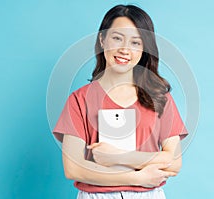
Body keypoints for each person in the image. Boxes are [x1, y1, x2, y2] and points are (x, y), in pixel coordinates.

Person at [53, 4, 188, 199]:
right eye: (117, 38)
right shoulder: (79, 100)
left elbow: (173, 162)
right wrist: (138, 177)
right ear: (102, 39)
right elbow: (73, 168)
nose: (125, 49)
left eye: (136, 42)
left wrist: (119, 157)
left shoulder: (160, 98)